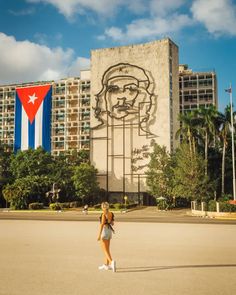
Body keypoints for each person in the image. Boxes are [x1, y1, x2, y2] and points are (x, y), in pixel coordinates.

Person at [97, 202, 116, 272]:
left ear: (103, 207)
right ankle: (106, 265)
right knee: (107, 250)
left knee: (104, 250)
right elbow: (112, 223)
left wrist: (99, 235)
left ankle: (111, 262)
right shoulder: (111, 213)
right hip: (109, 232)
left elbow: (102, 224)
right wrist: (109, 221)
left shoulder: (103, 214)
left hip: (104, 232)